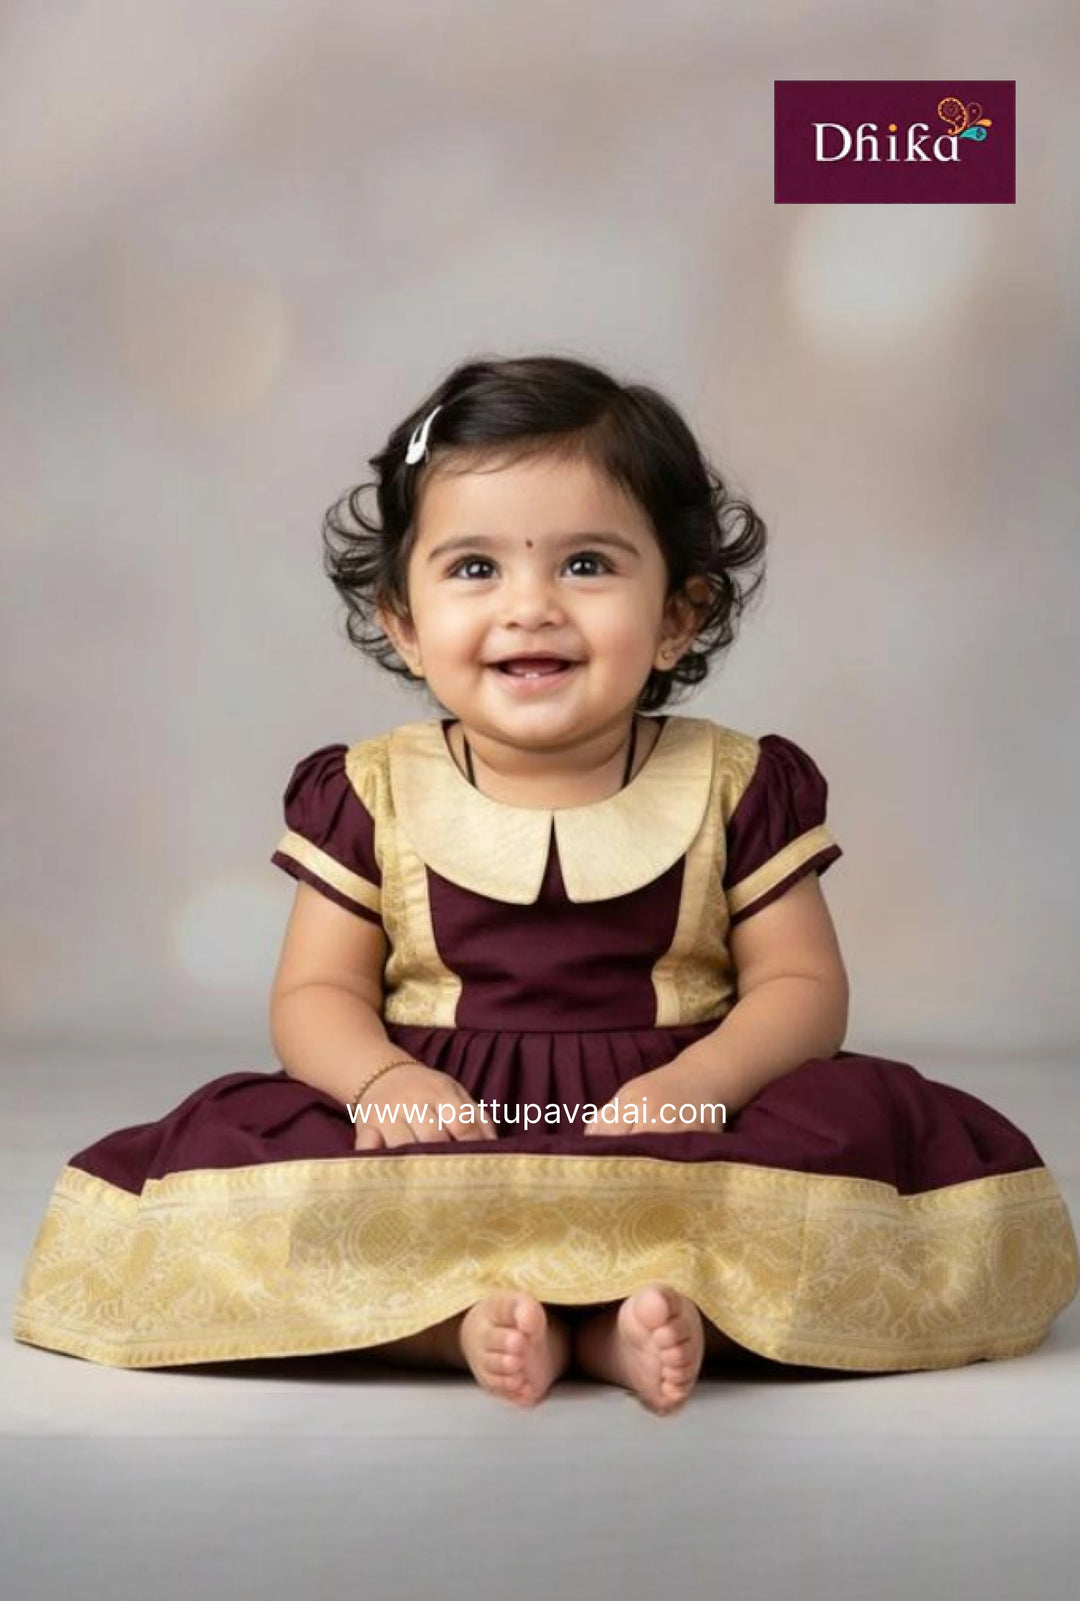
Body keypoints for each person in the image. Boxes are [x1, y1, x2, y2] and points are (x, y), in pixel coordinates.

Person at [13, 354, 1079, 1415]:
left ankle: (634, 1326)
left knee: (849, 1126)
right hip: (450, 1117)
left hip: (671, 1114)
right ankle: (452, 1329)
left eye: (586, 566)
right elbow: (315, 995)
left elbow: (801, 986)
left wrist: (699, 1083)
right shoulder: (374, 791)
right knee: (239, 1153)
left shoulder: (735, 783)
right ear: (402, 621)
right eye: (475, 569)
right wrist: (383, 1085)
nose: (531, 608)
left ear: (677, 614)